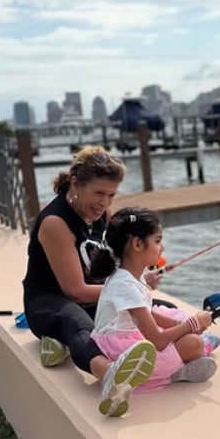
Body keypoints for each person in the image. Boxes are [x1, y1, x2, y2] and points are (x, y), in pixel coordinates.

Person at [22, 146, 157, 418]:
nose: (104, 203)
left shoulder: (102, 216)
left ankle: (185, 348)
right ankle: (109, 376)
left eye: (111, 195)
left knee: (151, 306)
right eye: (98, 193)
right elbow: (76, 291)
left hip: (90, 297)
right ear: (75, 184)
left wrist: (140, 281)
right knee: (78, 324)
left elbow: (113, 270)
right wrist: (129, 290)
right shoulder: (55, 222)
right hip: (50, 301)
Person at [90, 206, 219, 398]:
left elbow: (147, 315)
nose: (162, 247)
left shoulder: (130, 276)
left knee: (180, 320)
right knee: (193, 343)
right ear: (137, 244)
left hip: (130, 337)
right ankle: (182, 365)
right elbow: (157, 341)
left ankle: (191, 355)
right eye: (158, 241)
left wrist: (183, 325)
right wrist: (193, 325)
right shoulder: (125, 285)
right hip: (124, 351)